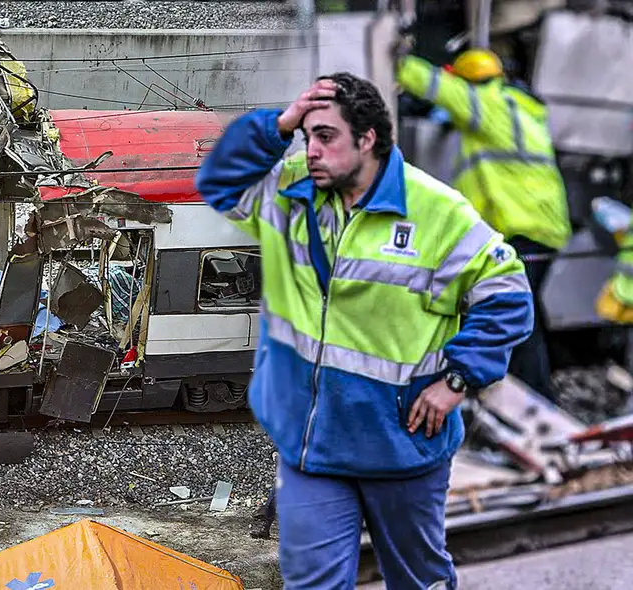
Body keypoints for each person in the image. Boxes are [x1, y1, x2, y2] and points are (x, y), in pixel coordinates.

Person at [195, 73, 534, 589]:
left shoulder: (436, 212)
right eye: (306, 136)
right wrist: (279, 125)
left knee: (417, 580)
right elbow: (220, 183)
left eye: (325, 137)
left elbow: (508, 295)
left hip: (401, 444)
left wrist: (457, 381)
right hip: (313, 447)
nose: (311, 150)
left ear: (367, 139)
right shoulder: (294, 193)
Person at [395, 48, 571, 401]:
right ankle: (544, 382)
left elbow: (430, 83)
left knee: (514, 312)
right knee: (531, 306)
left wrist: (394, 55)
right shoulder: (518, 107)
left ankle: (536, 397)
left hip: (521, 224)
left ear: (468, 81)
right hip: (543, 225)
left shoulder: (483, 103)